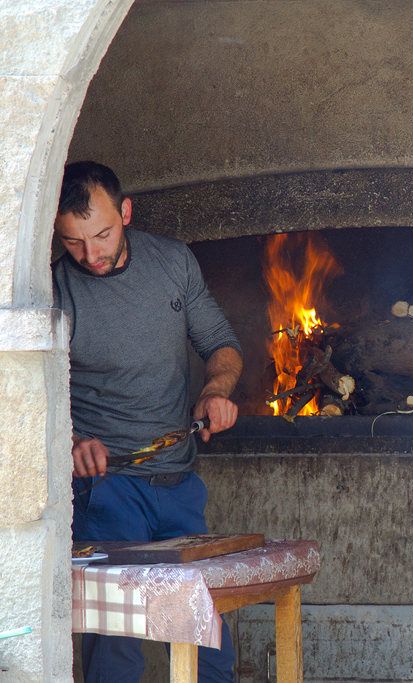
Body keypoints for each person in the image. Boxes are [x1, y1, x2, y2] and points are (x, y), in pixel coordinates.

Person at [53, 161, 243, 682]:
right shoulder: (55, 294)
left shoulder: (173, 262)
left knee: (210, 632)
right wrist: (69, 441)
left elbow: (221, 346)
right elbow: (32, 397)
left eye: (102, 234)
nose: (90, 255)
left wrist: (215, 391)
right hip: (107, 491)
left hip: (179, 483)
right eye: (72, 242)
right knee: (115, 647)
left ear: (126, 213)